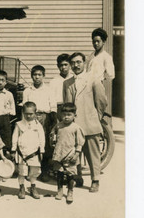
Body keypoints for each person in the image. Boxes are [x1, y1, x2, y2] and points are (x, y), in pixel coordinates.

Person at [63, 52, 107, 192]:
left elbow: (101, 101)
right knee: (74, 153)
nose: (76, 65)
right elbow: (67, 104)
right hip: (74, 125)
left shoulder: (93, 79)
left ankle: (95, 180)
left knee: (92, 153)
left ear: (84, 63)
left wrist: (96, 117)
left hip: (89, 123)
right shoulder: (67, 83)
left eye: (79, 62)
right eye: (73, 63)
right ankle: (78, 178)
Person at [21, 65, 56, 179]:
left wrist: (52, 122)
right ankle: (31, 171)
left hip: (44, 117)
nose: (37, 77)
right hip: (31, 117)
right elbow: (24, 107)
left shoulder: (49, 90)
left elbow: (53, 107)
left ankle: (44, 171)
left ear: (43, 76)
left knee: (43, 144)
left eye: (39, 75)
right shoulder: (27, 91)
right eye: (35, 75)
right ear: (32, 76)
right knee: (31, 143)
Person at [50, 103, 85, 204]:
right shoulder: (58, 126)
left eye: (69, 114)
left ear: (74, 115)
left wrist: (76, 154)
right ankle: (59, 190)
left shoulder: (76, 128)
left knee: (70, 174)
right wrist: (52, 140)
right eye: (64, 114)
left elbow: (80, 143)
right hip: (59, 154)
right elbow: (53, 135)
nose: (66, 117)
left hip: (70, 155)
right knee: (59, 173)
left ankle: (70, 191)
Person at [11, 102, 45, 200]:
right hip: (22, 152)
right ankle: (21, 188)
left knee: (34, 171)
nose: (28, 116)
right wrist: (13, 150)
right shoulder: (19, 124)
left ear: (35, 113)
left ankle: (33, 187)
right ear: (23, 113)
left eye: (31, 114)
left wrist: (42, 150)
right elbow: (14, 137)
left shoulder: (38, 126)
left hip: (34, 152)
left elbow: (42, 138)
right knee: (22, 171)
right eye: (26, 113)